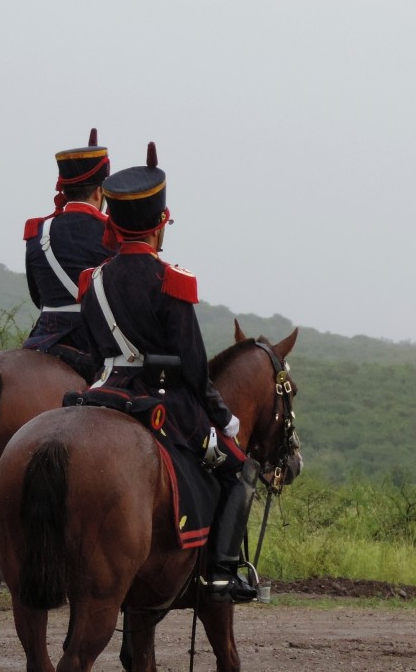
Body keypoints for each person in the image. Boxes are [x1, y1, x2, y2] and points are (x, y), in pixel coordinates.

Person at [76, 142, 258, 603]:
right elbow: (196, 371)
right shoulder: (172, 280)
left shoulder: (91, 281)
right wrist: (223, 419)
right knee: (239, 470)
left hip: (101, 392)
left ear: (113, 223)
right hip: (164, 403)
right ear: (160, 223)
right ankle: (219, 575)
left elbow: (97, 349)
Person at [22, 129, 115, 380]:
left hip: (43, 338)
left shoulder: (38, 231)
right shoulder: (113, 234)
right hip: (92, 340)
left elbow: (37, 295)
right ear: (99, 192)